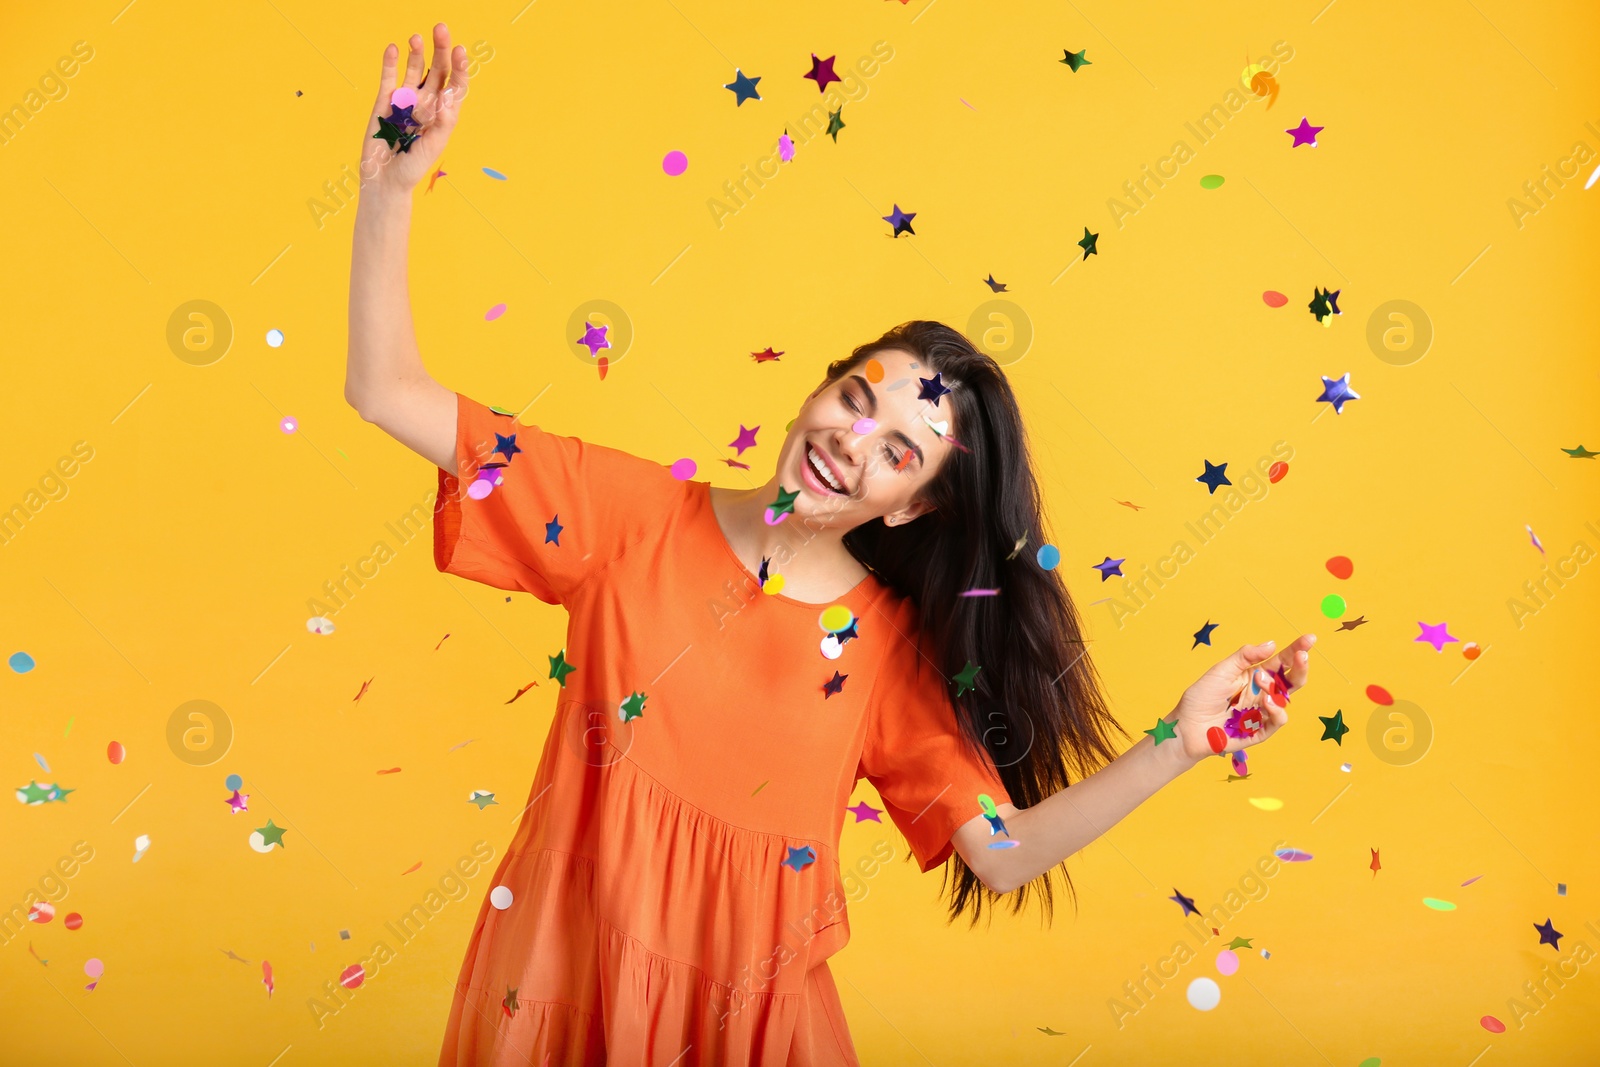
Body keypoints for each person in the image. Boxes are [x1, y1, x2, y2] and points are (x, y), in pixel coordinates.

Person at [345, 25, 1317, 1067]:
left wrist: (1176, 740)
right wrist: (391, 193)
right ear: (816, 388)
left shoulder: (888, 653)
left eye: (897, 449)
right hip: (561, 995)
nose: (850, 443)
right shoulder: (623, 514)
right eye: (854, 400)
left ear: (907, 507)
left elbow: (1002, 855)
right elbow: (386, 390)